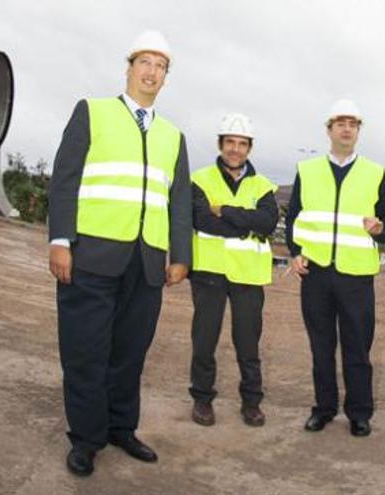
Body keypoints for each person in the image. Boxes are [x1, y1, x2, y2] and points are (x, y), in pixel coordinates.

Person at [47, 30, 191, 476]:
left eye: (161, 66)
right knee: (86, 351)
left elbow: (179, 201)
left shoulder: (173, 136)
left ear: (166, 77)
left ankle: (121, 428)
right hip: (91, 253)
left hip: (146, 262)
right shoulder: (92, 112)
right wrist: (60, 240)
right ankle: (87, 439)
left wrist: (179, 255)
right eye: (145, 62)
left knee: (130, 353)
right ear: (129, 68)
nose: (152, 72)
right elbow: (65, 179)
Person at [284, 99, 385, 437]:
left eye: (353, 123)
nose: (347, 128)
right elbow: (293, 218)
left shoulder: (375, 172)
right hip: (316, 272)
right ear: (329, 129)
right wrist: (295, 252)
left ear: (358, 131)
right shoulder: (308, 170)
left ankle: (359, 413)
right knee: (321, 347)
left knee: (357, 347)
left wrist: (379, 229)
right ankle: (324, 408)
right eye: (340, 123)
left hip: (356, 276)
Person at [188, 113, 278, 428]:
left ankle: (251, 403)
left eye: (242, 144)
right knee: (204, 339)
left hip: (249, 275)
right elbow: (200, 219)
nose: (235, 150)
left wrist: (225, 211)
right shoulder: (199, 180)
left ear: (249, 148)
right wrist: (246, 224)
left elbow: (267, 222)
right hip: (209, 271)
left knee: (248, 343)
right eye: (230, 143)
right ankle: (202, 399)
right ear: (220, 144)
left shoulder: (263, 186)